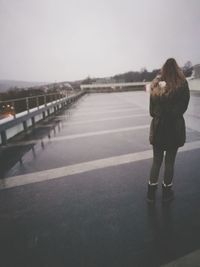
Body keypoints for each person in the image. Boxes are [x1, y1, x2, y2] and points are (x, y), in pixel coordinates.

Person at [147, 58, 190, 203]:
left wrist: (161, 113)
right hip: (174, 128)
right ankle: (166, 193)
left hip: (159, 128)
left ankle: (151, 195)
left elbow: (152, 112)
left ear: (163, 69)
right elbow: (183, 108)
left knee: (156, 161)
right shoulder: (182, 84)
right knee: (170, 162)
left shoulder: (156, 85)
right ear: (177, 69)